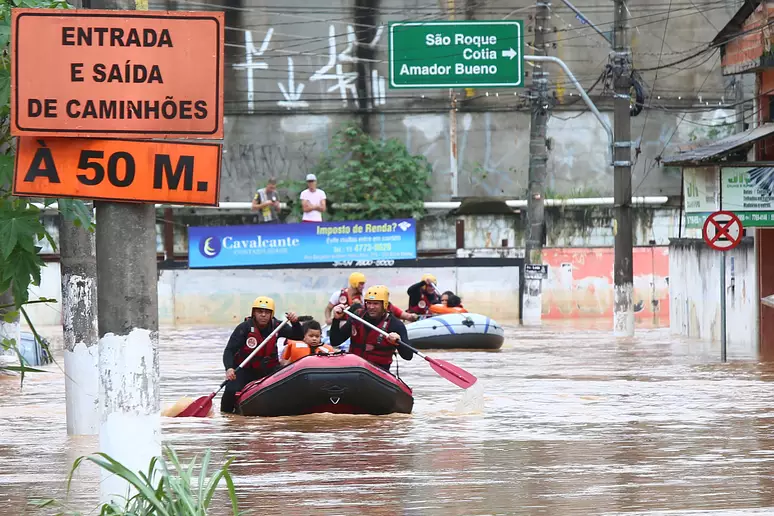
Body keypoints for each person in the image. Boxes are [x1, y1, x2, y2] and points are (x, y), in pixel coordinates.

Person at [221, 296, 303, 413]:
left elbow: (298, 336)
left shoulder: (278, 326)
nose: (263, 315)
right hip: (245, 370)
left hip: (269, 370)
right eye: (260, 312)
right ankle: (225, 415)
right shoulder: (244, 328)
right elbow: (229, 350)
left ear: (271, 314)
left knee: (289, 385)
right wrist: (229, 368)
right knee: (230, 390)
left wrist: (295, 323)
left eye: (267, 312)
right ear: (254, 313)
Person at [330, 285, 413, 372]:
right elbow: (335, 342)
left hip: (379, 371)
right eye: (369, 303)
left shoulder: (395, 324)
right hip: (355, 368)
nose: (371, 307)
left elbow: (408, 356)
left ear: (384, 304)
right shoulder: (356, 318)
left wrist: (398, 343)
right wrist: (336, 319)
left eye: (375, 303)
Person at [324, 271, 418, 325]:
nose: (362, 286)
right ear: (354, 283)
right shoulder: (338, 294)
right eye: (361, 284)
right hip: (341, 323)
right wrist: (328, 319)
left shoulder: (365, 296)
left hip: (357, 324)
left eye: (363, 284)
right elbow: (328, 308)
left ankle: (408, 316)